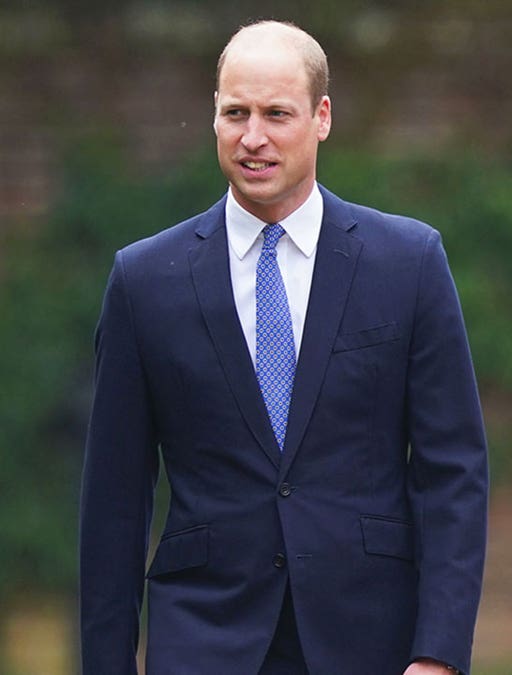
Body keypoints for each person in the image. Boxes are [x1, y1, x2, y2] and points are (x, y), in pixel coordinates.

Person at [79, 20, 488, 674]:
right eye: (235, 113)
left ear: (322, 117)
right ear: (213, 116)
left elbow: (453, 472)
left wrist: (437, 652)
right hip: (204, 638)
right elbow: (113, 501)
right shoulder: (144, 281)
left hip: (370, 637)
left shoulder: (408, 263)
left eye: (277, 113)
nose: (253, 137)